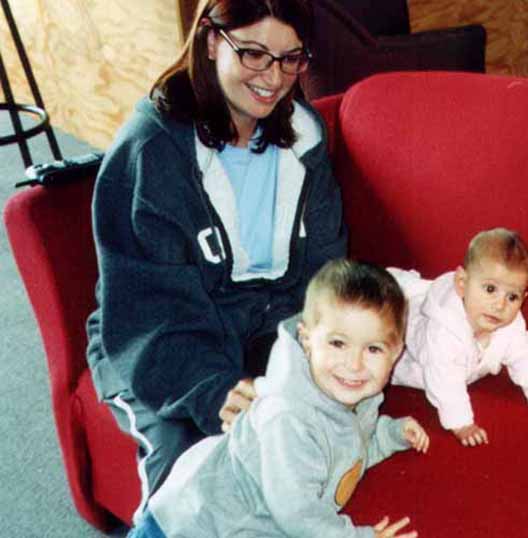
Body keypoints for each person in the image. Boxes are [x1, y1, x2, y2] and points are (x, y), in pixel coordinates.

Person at [85, 0, 347, 520]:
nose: (274, 78)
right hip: (156, 338)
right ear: (210, 41)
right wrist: (210, 390)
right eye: (253, 53)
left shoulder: (305, 137)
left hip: (268, 324)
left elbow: (324, 270)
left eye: (291, 58)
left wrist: (321, 347)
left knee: (315, 438)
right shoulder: (152, 151)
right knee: (185, 478)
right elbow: (148, 307)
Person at [127, 258, 429, 538]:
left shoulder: (358, 395)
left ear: (396, 352)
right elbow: (298, 513)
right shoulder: (289, 417)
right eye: (338, 343)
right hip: (189, 526)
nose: (354, 364)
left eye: (373, 349)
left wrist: (387, 436)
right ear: (307, 340)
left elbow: (346, 453)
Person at [388, 228, 528, 447]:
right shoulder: (443, 333)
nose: (500, 305)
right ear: (462, 283)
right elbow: (444, 379)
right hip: (405, 323)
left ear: (523, 298)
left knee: (527, 346)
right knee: (392, 356)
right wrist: (461, 423)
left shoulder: (510, 327)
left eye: (512, 297)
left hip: (459, 361)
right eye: (490, 289)